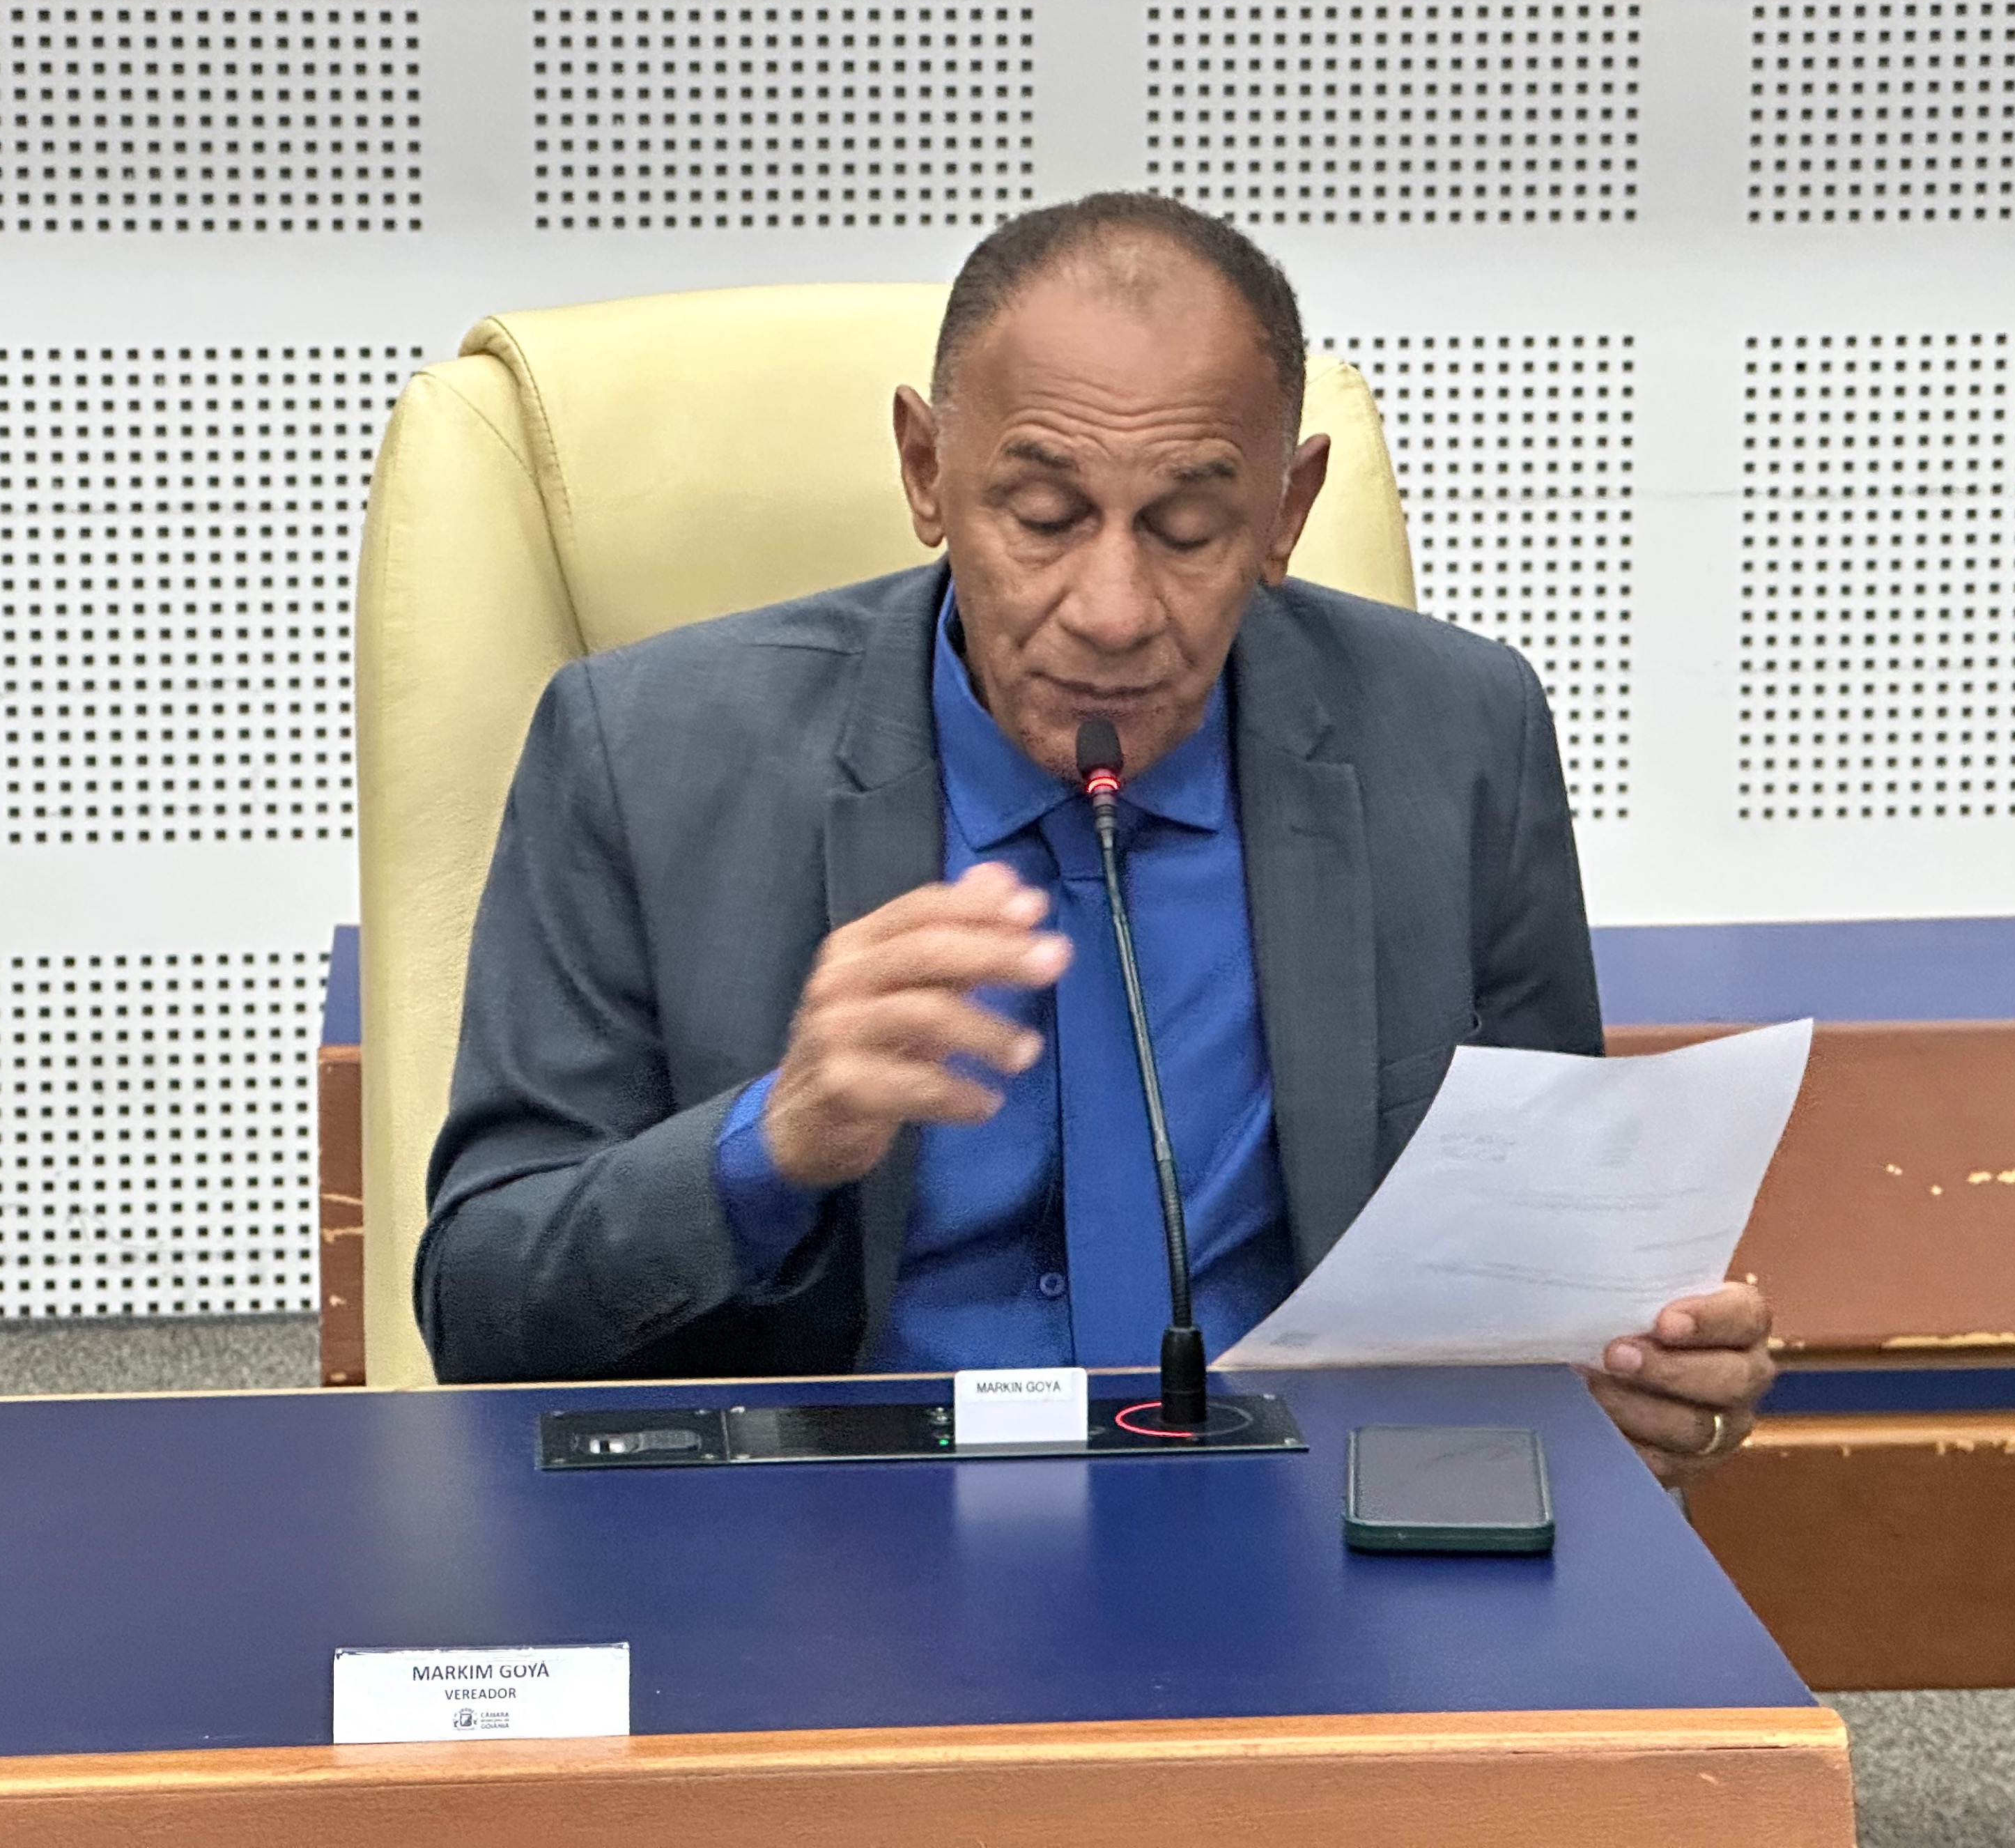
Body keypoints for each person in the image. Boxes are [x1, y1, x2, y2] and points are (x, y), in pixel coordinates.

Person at [419, 193, 1775, 1484]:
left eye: (1186, 529)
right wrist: (772, 1142)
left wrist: (1634, 1382)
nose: (1113, 610)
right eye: (1045, 519)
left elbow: (1545, 1277)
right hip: (837, 1549)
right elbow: (479, 1304)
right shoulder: (644, 753)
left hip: (1300, 1533)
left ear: (1286, 512)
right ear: (926, 473)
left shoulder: (1456, 734)